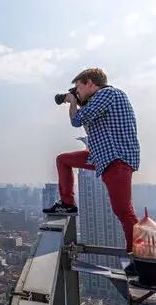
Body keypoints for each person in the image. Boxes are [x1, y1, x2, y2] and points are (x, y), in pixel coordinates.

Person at [43, 68, 140, 266]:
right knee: (63, 160)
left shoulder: (107, 93)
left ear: (90, 82)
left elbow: (76, 120)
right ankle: (67, 204)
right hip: (101, 155)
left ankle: (139, 258)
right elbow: (88, 126)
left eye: (78, 87)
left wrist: (72, 102)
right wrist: (78, 101)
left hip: (117, 159)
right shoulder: (102, 101)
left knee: (124, 211)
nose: (77, 92)